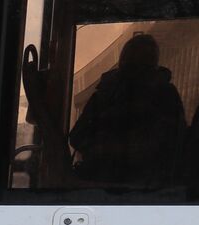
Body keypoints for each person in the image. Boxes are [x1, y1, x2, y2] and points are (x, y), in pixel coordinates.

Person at [70, 33, 185, 188]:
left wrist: (103, 149)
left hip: (102, 184)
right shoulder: (166, 95)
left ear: (122, 60)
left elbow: (77, 137)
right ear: (154, 63)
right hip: (149, 190)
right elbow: (178, 143)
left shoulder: (105, 94)